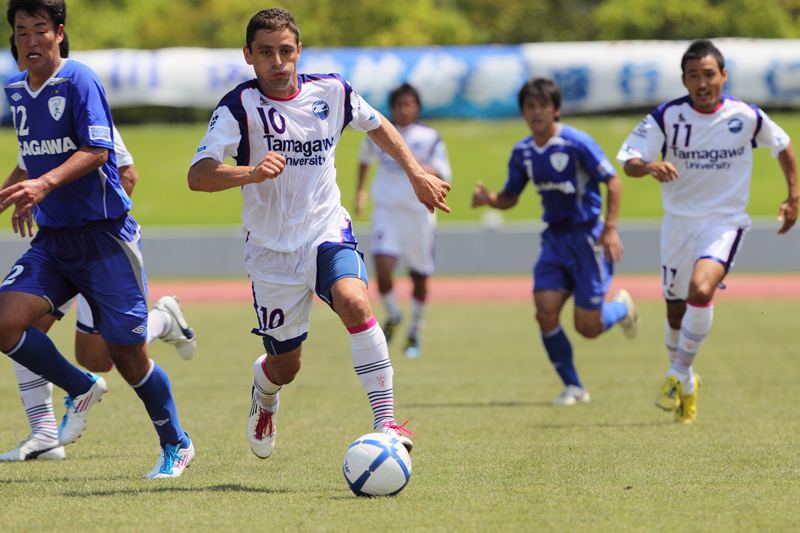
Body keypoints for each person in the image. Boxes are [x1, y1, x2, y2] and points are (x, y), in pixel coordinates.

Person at [187, 9, 450, 459]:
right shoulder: (237, 107)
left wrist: (416, 174)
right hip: (270, 251)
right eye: (265, 52)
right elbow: (199, 175)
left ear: (299, 51)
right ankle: (265, 392)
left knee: (355, 301)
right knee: (286, 366)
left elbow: (378, 125)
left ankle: (386, 422)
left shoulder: (332, 91)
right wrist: (250, 172)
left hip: (325, 229)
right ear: (248, 55)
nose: (277, 62)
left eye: (285, 51)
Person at [0, 0, 193, 477]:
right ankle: (79, 388)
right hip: (53, 242)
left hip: (105, 240)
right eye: (21, 32)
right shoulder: (17, 90)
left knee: (125, 356)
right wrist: (15, 193)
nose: (31, 40)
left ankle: (176, 443)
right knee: (5, 323)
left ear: (59, 33)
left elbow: (99, 151)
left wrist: (44, 186)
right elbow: (31, 156)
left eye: (40, 30)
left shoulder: (80, 79)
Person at [618, 40, 798, 423]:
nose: (702, 83)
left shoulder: (746, 116)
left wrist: (793, 196)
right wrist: (649, 167)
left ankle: (677, 372)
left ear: (723, 75)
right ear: (684, 80)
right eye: (694, 76)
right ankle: (687, 383)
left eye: (709, 74)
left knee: (701, 290)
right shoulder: (666, 117)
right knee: (675, 312)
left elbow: (783, 146)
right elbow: (629, 161)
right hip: (678, 224)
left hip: (725, 222)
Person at [471, 77, 640, 406]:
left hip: (587, 238)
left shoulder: (577, 143)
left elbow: (613, 181)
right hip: (554, 241)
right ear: (523, 111)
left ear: (556, 110)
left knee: (587, 328)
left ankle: (621, 308)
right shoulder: (523, 152)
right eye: (530, 106)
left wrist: (610, 228)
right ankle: (574, 387)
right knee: (545, 312)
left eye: (543, 106)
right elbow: (510, 196)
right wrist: (489, 199)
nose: (537, 112)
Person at [355, 83, 452, 358]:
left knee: (419, 276)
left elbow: (443, 173)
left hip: (418, 214)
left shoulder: (429, 137)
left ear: (417, 107)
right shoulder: (379, 130)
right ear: (393, 108)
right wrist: (360, 191)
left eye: (409, 104)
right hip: (387, 211)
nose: (404, 109)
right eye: (399, 105)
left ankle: (414, 331)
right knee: (383, 267)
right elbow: (364, 158)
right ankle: (394, 314)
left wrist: (412, 163)